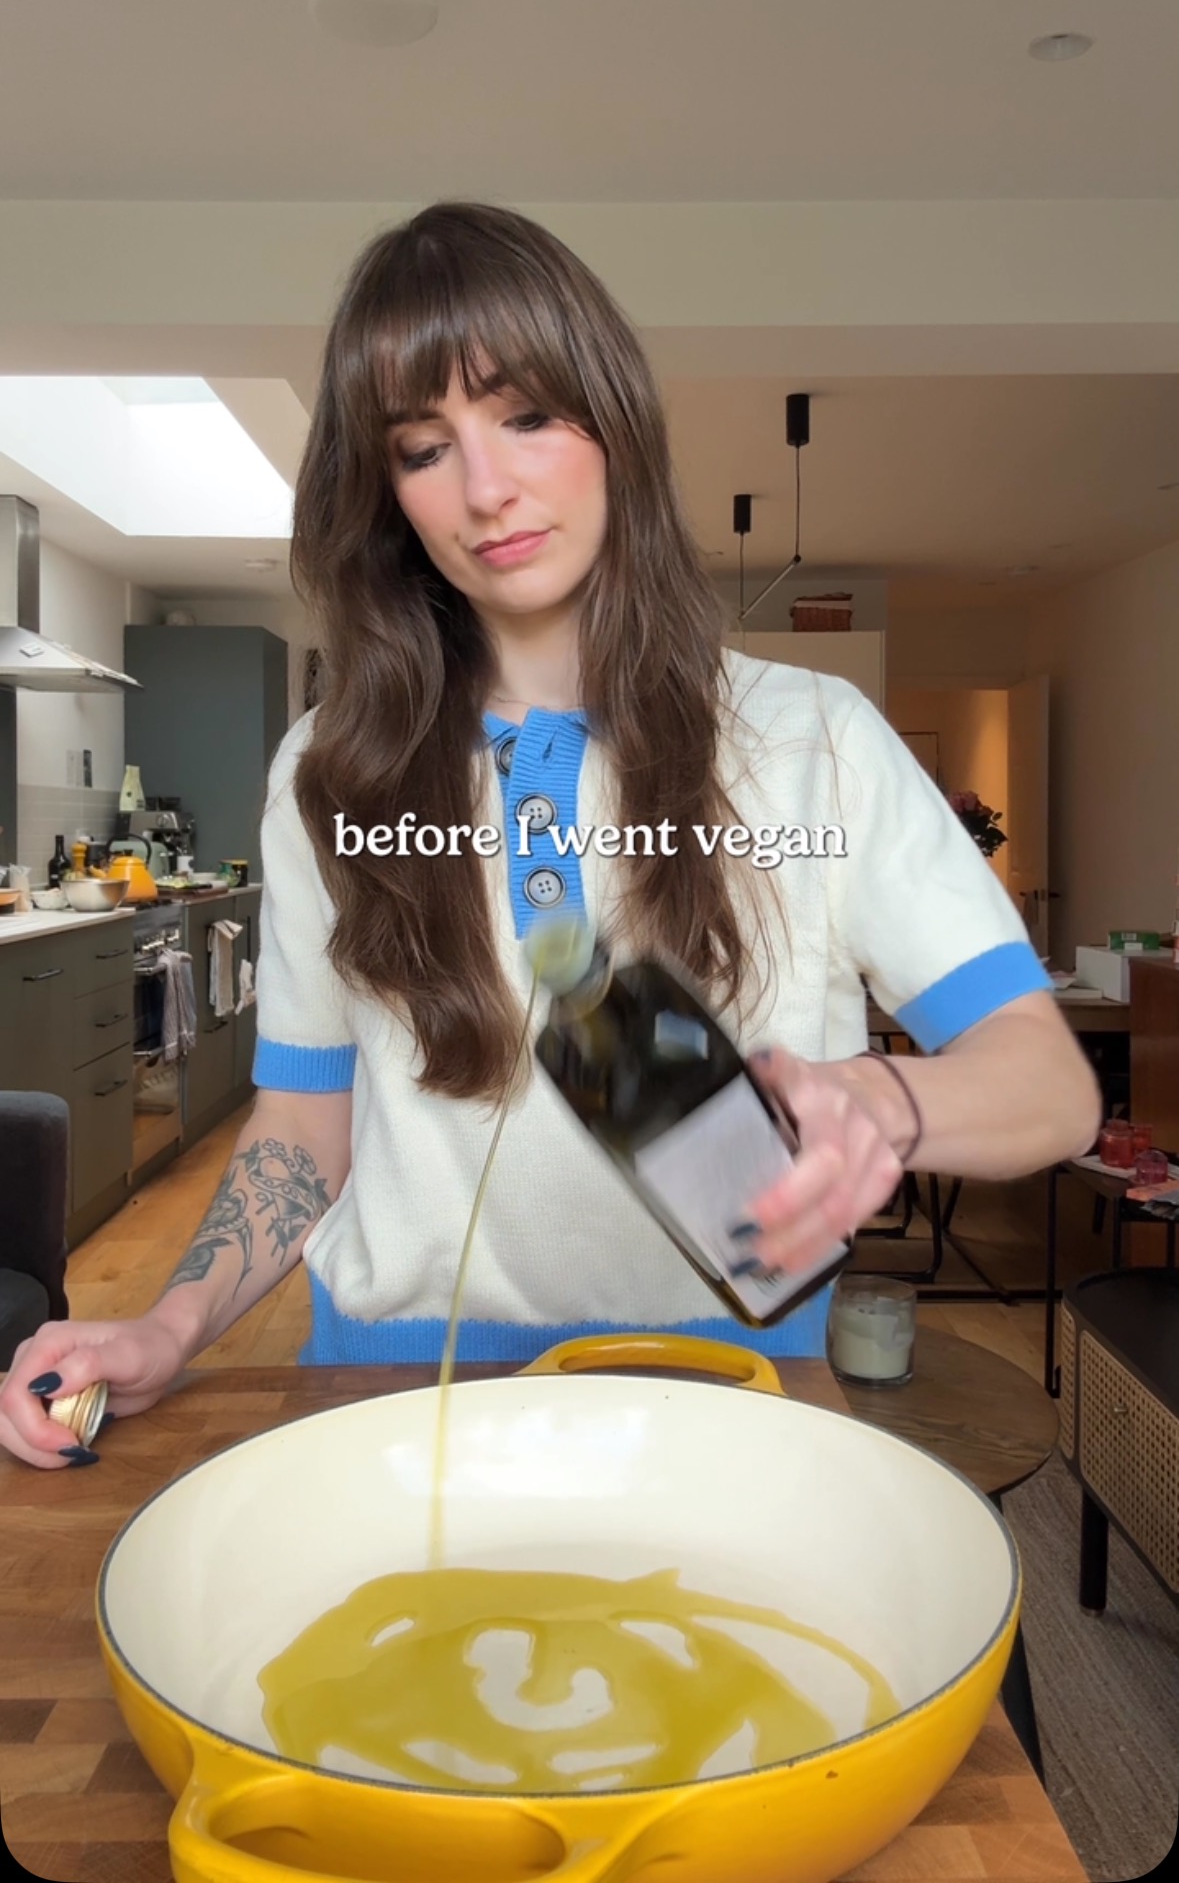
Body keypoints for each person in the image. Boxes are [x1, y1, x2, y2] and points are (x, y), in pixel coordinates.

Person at [0, 202, 1099, 1468]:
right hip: (398, 1399)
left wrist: (880, 1101)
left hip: (735, 1397)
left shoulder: (817, 740)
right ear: (387, 494)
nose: (485, 488)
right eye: (423, 447)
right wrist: (171, 1323)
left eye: (525, 414)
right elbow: (306, 1122)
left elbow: (1053, 1087)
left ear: (614, 420)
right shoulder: (330, 769)